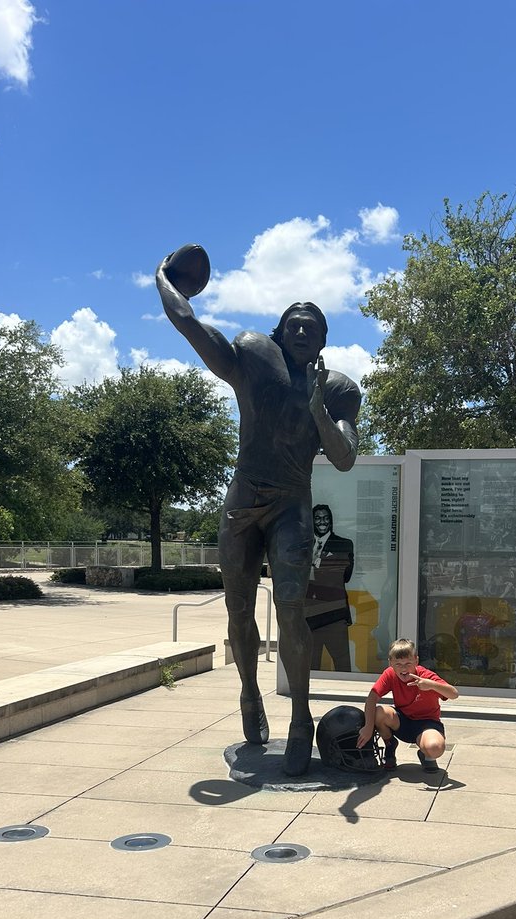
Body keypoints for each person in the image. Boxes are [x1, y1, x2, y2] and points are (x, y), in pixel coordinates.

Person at [156, 253, 360, 775]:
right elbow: (190, 325)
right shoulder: (253, 357)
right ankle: (249, 694)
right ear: (280, 329)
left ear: (322, 340)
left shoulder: (337, 390)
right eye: (293, 323)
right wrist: (164, 279)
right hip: (244, 500)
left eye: (311, 327)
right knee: (238, 610)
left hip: (292, 501)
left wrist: (317, 408)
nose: (299, 330)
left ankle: (299, 718)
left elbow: (343, 458)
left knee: (292, 610)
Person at [358, 637, 458, 772]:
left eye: (408, 663)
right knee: (379, 712)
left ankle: (426, 754)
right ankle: (390, 744)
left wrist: (431, 685)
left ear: (416, 661)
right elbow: (371, 698)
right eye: (398, 664)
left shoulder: (426, 676)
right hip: (402, 721)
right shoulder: (390, 674)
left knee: (435, 748)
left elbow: (454, 694)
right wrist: (368, 727)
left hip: (427, 723)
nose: (404, 668)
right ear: (390, 663)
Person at [305, 504, 354, 672]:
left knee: (343, 666)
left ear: (331, 521)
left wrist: (313, 568)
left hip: (335, 616)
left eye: (325, 518)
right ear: (312, 521)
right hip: (309, 618)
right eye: (317, 518)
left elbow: (343, 577)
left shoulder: (343, 545)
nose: (322, 522)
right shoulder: (302, 546)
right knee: (310, 668)